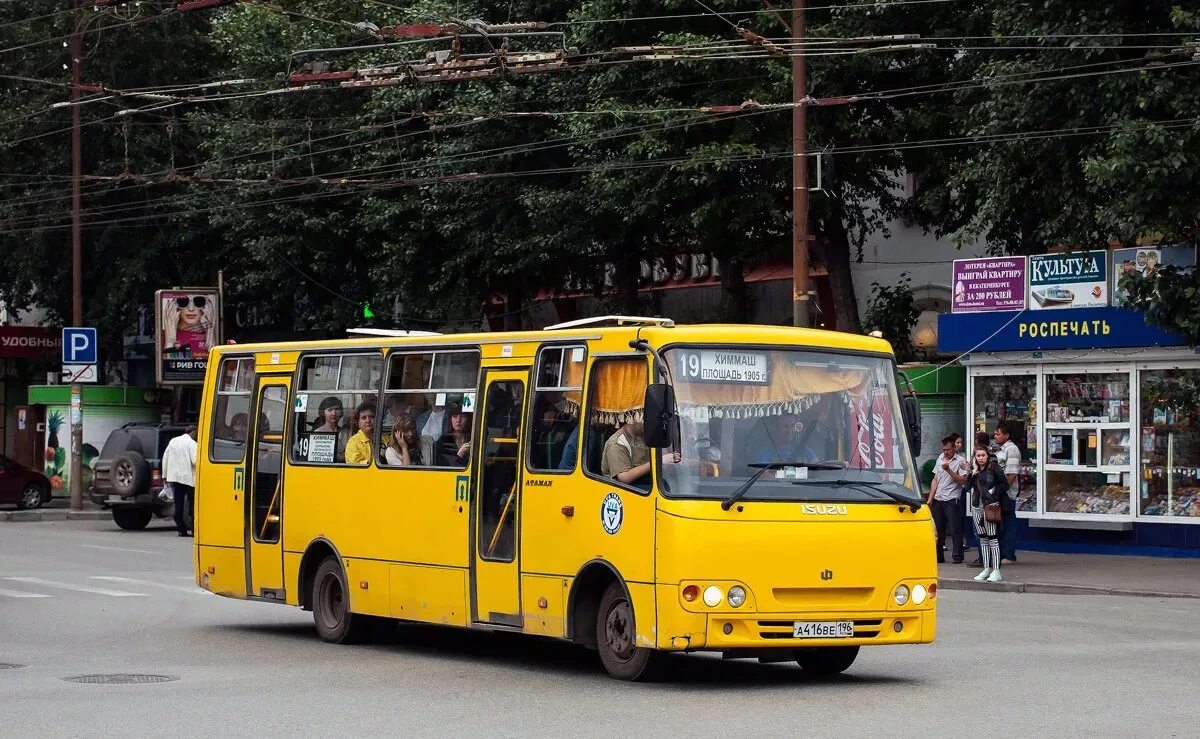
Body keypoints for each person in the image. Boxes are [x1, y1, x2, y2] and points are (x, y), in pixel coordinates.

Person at [963, 445, 1009, 582]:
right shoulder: (974, 470)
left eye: (983, 455)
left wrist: (994, 490)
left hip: (990, 506)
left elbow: (1004, 485)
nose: (981, 458)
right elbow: (966, 487)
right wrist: (974, 472)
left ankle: (996, 570)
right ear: (975, 458)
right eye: (978, 456)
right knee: (982, 538)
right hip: (977, 506)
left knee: (993, 538)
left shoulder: (994, 468)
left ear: (987, 456)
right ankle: (986, 568)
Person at [926, 435, 967, 564]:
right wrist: (930, 498)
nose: (945, 452)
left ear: (954, 448)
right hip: (939, 497)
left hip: (952, 498)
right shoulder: (940, 459)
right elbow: (935, 479)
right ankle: (938, 556)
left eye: (948, 449)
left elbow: (962, 480)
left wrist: (949, 470)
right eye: (943, 449)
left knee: (955, 528)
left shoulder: (961, 461)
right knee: (938, 529)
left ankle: (957, 556)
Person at [163, 425, 198, 537]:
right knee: (192, 503)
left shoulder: (173, 441)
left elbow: (165, 458)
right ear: (193, 432)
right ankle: (193, 529)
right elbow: (195, 461)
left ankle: (180, 529)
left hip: (175, 477)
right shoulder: (192, 444)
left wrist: (165, 475)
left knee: (178, 503)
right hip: (188, 478)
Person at [747, 413, 820, 466]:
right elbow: (764, 475)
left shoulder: (804, 451)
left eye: (792, 426)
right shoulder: (764, 452)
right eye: (785, 426)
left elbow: (818, 470)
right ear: (776, 428)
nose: (789, 430)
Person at [994, 422, 1021, 565]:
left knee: (1008, 524)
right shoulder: (999, 449)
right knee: (1000, 524)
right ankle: (1001, 553)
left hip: (1007, 493)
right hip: (999, 492)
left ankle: (1009, 555)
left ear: (1006, 435)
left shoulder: (1012, 449)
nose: (995, 436)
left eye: (998, 434)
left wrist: (1002, 491)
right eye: (995, 433)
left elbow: (1011, 474)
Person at [162, 294, 217, 360]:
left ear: (208, 306)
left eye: (198, 302)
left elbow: (215, 364)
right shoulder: (165, 333)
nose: (191, 309)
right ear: (174, 306)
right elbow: (168, 365)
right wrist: (170, 337)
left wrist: (210, 333)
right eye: (183, 302)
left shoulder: (216, 333)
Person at [601, 420, 651, 487]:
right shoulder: (616, 443)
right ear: (631, 419)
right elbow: (624, 478)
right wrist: (655, 462)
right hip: (624, 488)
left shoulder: (644, 435)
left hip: (646, 481)